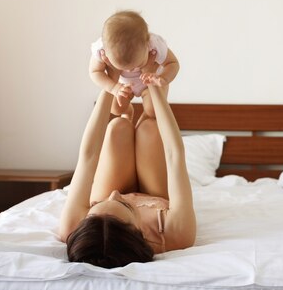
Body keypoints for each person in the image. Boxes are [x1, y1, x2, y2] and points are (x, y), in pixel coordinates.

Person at [60, 51, 195, 267]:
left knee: (117, 127)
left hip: (115, 169)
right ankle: (143, 116)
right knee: (150, 128)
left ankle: (125, 117)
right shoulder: (178, 235)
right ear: (140, 232)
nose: (115, 194)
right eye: (126, 205)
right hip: (155, 193)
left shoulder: (74, 227)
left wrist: (110, 84)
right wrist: (153, 86)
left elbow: (88, 156)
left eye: (100, 205)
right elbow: (174, 155)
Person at [89, 10, 179, 123]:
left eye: (137, 64)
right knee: (116, 109)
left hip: (151, 80)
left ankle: (143, 122)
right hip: (122, 83)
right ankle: (128, 112)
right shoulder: (102, 48)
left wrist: (164, 78)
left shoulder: (154, 44)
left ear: (147, 44)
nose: (129, 70)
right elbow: (95, 72)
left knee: (153, 111)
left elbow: (173, 63)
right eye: (122, 66)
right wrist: (114, 88)